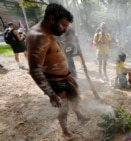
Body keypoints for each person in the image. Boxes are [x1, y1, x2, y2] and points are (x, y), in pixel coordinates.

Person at [26, 3, 89, 140]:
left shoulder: (50, 31)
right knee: (64, 108)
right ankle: (65, 132)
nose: (66, 29)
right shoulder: (38, 36)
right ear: (51, 18)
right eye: (63, 25)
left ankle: (79, 115)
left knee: (75, 97)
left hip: (66, 77)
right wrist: (51, 94)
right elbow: (35, 70)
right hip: (55, 81)